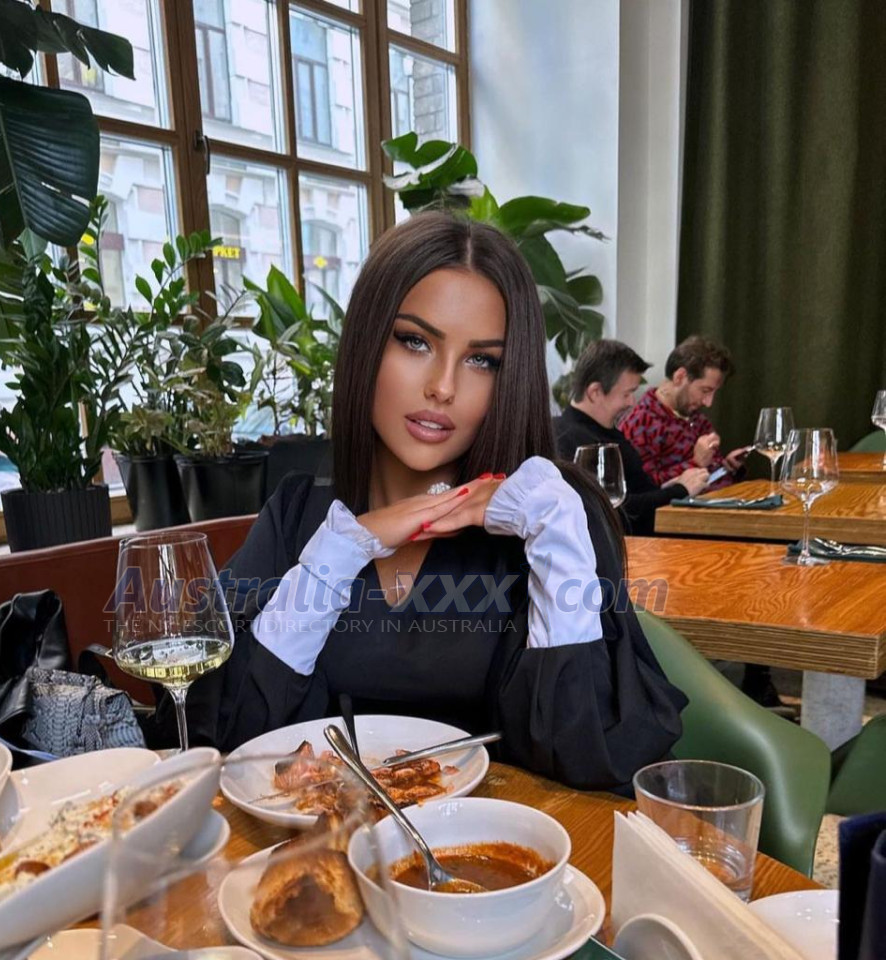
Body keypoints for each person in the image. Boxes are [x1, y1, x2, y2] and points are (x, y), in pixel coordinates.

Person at [176, 211, 686, 791]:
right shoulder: (300, 514)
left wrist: (553, 530)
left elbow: (593, 762)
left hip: (492, 839)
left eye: (481, 360)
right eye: (415, 341)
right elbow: (228, 740)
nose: (443, 386)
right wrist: (339, 553)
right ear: (367, 342)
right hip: (324, 836)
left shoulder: (551, 519)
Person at [554, 339, 710, 535]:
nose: (632, 402)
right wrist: (679, 490)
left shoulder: (609, 432)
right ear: (595, 392)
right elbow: (615, 511)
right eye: (627, 394)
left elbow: (636, 493)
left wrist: (667, 489)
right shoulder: (568, 439)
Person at [619, 336, 751, 487]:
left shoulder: (696, 417)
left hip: (728, 497)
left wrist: (727, 467)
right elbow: (642, 489)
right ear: (680, 377)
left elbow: (712, 475)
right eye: (705, 390)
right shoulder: (641, 423)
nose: (708, 403)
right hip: (695, 503)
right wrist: (695, 463)